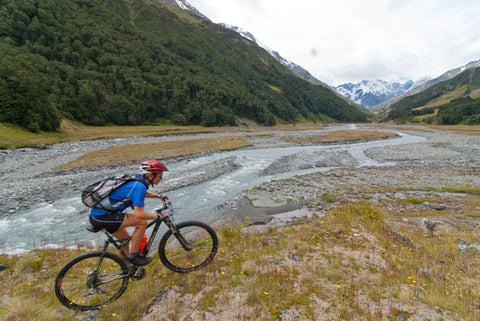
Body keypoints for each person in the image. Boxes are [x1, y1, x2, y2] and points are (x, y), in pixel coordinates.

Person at [89, 160, 168, 266]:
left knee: (125, 241)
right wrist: (159, 216)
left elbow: (139, 192)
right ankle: (134, 256)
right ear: (150, 175)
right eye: (159, 176)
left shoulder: (138, 181)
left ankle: (125, 271)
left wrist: (158, 196)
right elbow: (139, 214)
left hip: (99, 215)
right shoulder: (139, 187)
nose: (161, 179)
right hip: (101, 217)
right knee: (142, 222)